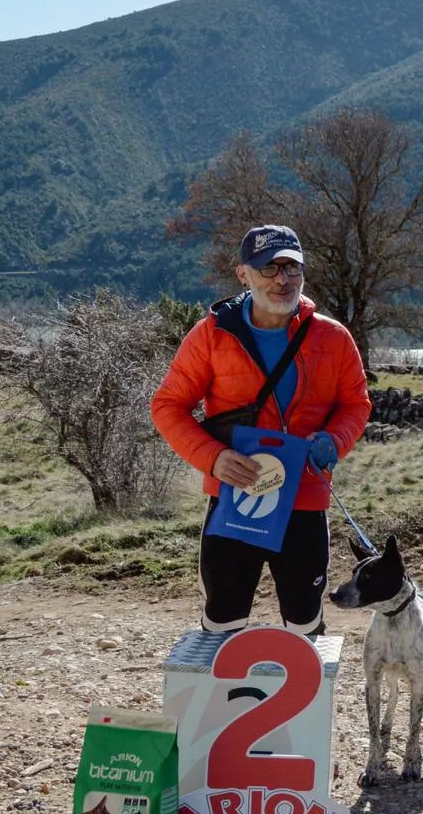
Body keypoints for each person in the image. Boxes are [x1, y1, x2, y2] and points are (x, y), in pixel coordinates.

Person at [152, 224, 372, 635]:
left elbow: (355, 404)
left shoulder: (334, 337)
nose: (281, 279)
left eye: (292, 268)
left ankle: (300, 698)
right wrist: (213, 459)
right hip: (234, 498)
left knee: (305, 623)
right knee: (223, 618)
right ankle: (222, 700)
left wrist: (333, 440)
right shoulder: (211, 336)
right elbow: (168, 406)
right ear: (243, 274)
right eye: (268, 267)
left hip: (304, 498)